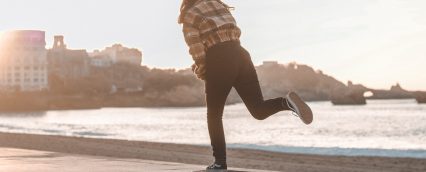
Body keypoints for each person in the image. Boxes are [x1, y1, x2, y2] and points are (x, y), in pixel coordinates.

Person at [178, 0, 313, 170]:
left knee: (214, 115)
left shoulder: (190, 15)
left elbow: (197, 51)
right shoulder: (218, 5)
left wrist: (202, 70)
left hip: (219, 59)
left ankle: (220, 162)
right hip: (241, 55)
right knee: (258, 109)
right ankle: (286, 103)